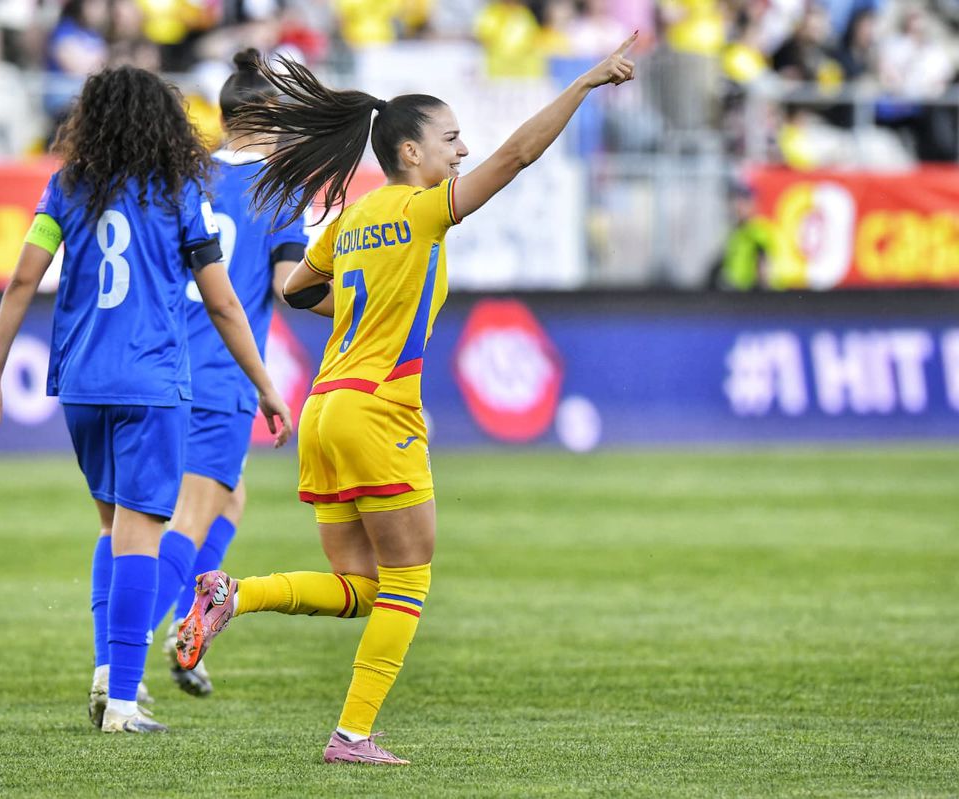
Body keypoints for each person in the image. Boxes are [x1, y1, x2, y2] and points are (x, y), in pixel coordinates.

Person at [174, 38, 636, 764]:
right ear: (411, 153)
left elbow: (295, 290)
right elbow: (516, 157)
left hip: (325, 406)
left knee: (359, 587)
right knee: (409, 581)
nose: (463, 150)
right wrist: (581, 85)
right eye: (450, 139)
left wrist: (362, 310)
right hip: (378, 410)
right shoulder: (423, 212)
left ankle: (238, 594)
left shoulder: (352, 219)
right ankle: (352, 734)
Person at [0, 65, 291, 734]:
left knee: (113, 529)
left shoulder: (66, 186)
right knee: (145, 532)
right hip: (152, 381)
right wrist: (264, 383)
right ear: (163, 123)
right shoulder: (178, 194)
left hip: (80, 381)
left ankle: (112, 672)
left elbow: (26, 275)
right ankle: (118, 693)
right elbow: (224, 300)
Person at [147, 48, 311, 698]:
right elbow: (290, 286)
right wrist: (355, 289)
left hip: (161, 367)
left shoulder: (183, 177)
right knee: (187, 521)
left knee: (228, 497)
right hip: (222, 374)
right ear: (268, 116)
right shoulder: (279, 187)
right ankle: (126, 659)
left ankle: (189, 627)